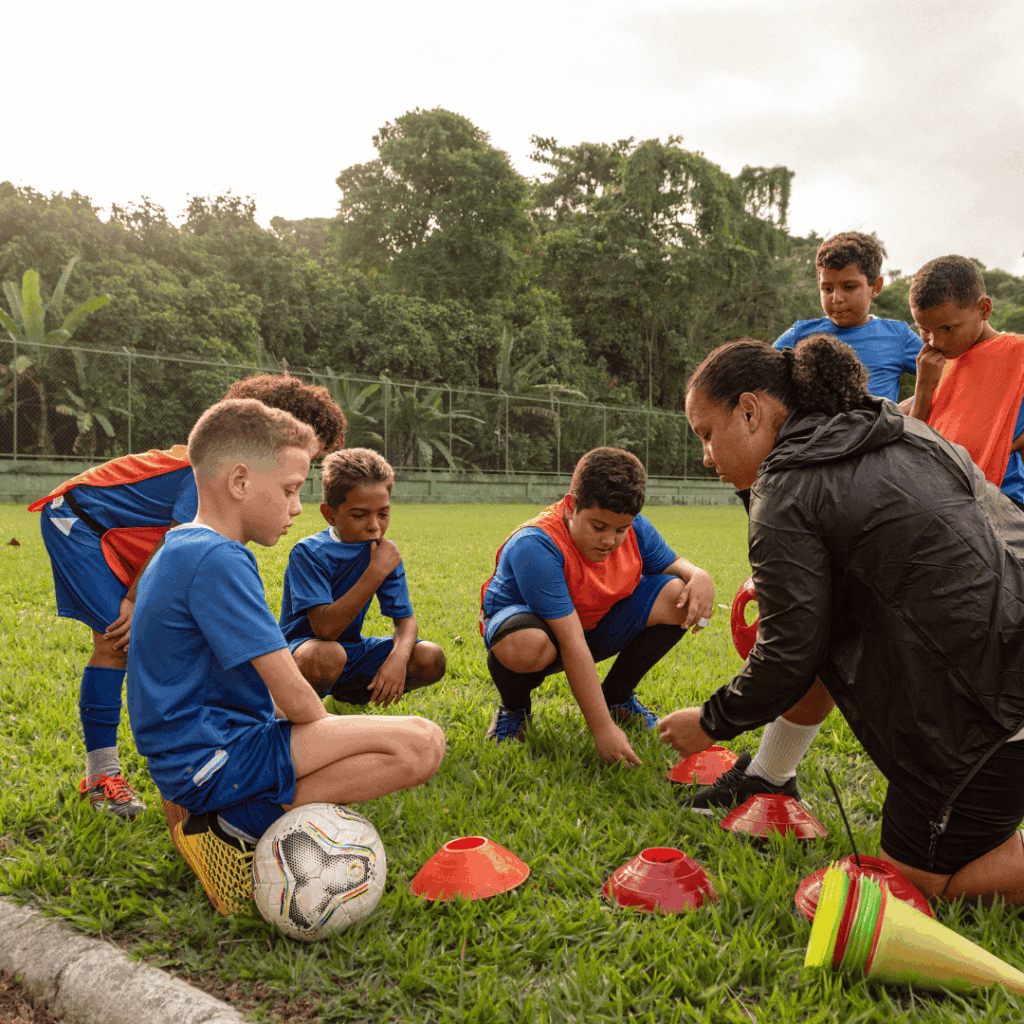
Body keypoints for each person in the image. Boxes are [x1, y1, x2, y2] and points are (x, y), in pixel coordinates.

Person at [660, 335, 1024, 905]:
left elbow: (788, 653)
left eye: (707, 434)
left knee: (923, 883)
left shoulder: (787, 486)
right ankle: (769, 774)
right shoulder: (899, 428)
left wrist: (711, 721)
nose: (706, 456)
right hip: (1006, 661)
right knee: (830, 628)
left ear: (751, 411)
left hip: (996, 714)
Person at [126, 399, 445, 916]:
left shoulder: (180, 545)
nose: (298, 507)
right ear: (239, 482)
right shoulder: (219, 558)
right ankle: (232, 828)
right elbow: (294, 694)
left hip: (195, 758)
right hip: (212, 759)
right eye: (291, 489)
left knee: (380, 742)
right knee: (422, 745)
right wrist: (325, 746)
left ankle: (224, 813)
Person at [29, 375, 347, 819]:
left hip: (121, 532)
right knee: (116, 640)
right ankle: (102, 774)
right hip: (79, 523)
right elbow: (178, 536)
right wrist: (134, 601)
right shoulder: (204, 471)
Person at [479, 447, 715, 765]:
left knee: (679, 595)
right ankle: (514, 708)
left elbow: (672, 564)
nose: (609, 541)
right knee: (526, 644)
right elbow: (571, 641)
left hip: (591, 623)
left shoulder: (633, 527)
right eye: (599, 527)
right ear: (571, 505)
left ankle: (617, 697)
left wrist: (698, 575)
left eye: (620, 530)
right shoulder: (534, 545)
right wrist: (601, 729)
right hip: (535, 632)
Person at [279, 448, 446, 709]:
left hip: (351, 652)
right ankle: (299, 712)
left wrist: (397, 661)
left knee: (430, 657)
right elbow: (326, 629)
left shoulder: (384, 552)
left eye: (383, 513)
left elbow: (406, 622)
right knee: (326, 655)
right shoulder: (309, 552)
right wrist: (376, 571)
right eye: (359, 515)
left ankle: (349, 699)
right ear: (330, 514)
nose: (374, 526)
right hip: (303, 653)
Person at [903, 255, 1024, 509]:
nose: (934, 341)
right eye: (924, 329)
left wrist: (1009, 444)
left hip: (1002, 502)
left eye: (947, 328)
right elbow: (907, 450)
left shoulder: (1016, 354)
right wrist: (924, 389)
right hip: (939, 502)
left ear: (984, 309)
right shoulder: (935, 365)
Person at [774, 232, 920, 402]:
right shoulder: (799, 335)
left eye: (849, 287)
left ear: (876, 287)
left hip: (877, 429)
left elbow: (949, 376)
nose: (837, 298)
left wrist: (901, 414)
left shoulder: (898, 336)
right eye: (827, 289)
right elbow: (758, 379)